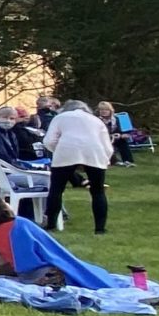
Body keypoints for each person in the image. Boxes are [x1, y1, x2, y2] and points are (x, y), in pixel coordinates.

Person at [40, 99, 112, 234]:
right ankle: (100, 228)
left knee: (56, 189)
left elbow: (49, 140)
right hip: (94, 151)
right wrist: (104, 160)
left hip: (66, 150)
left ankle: (51, 224)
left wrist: (59, 151)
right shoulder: (96, 120)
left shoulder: (60, 118)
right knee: (98, 192)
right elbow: (107, 146)